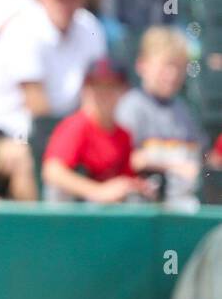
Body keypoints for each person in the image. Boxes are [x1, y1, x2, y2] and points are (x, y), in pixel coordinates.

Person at [0, 0, 107, 141]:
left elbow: (96, 88)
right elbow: (37, 105)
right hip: (13, 131)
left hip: (65, 127)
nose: (65, 4)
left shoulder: (88, 25)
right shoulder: (24, 28)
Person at [116, 27, 203, 205]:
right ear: (142, 65)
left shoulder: (183, 110)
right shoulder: (131, 107)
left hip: (185, 205)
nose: (173, 75)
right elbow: (127, 160)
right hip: (142, 209)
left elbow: (200, 157)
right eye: (166, 65)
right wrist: (174, 167)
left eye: (179, 67)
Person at [42, 60, 150, 203]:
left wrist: (136, 187)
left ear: (124, 91)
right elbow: (52, 171)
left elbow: (123, 180)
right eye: (96, 87)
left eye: (111, 87)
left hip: (104, 216)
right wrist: (97, 191)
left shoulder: (123, 135)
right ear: (85, 90)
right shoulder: (76, 126)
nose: (103, 94)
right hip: (71, 216)